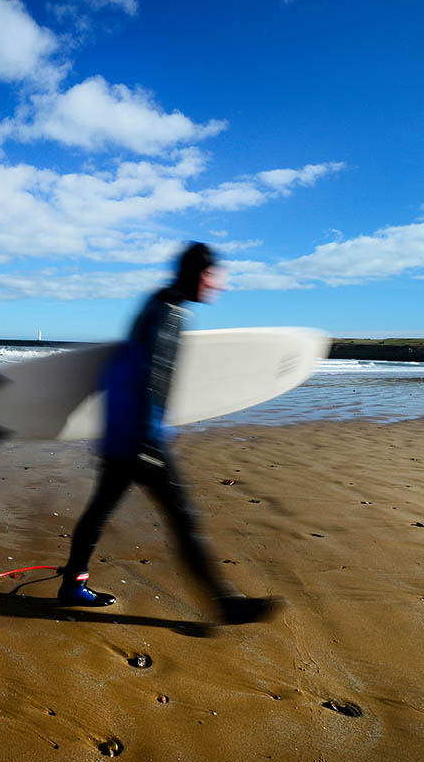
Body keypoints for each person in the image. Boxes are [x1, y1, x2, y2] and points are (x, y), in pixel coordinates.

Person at [58, 242, 282, 625]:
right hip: (140, 439)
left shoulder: (155, 303)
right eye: (214, 276)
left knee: (98, 512)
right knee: (184, 519)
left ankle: (72, 585)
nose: (219, 285)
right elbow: (152, 374)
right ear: (198, 274)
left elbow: (124, 365)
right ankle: (224, 602)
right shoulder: (169, 313)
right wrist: (147, 441)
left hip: (122, 432)